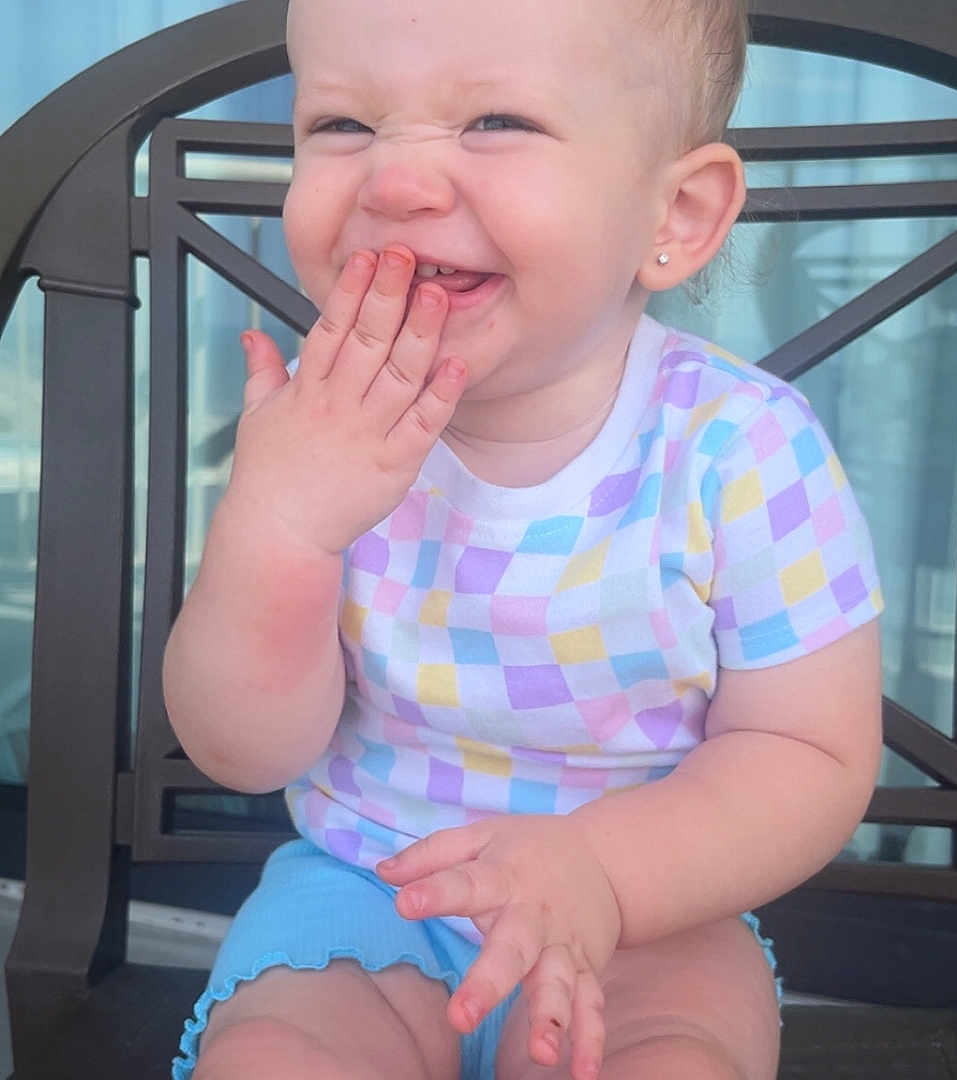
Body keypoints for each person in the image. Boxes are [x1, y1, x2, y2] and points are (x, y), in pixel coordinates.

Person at [164, 0, 884, 1077]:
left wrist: (603, 873)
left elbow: (808, 753)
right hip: (371, 886)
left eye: (496, 119)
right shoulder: (314, 436)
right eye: (342, 126)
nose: (395, 182)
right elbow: (243, 747)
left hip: (648, 912)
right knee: (273, 1058)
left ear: (675, 215)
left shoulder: (739, 450)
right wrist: (281, 527)